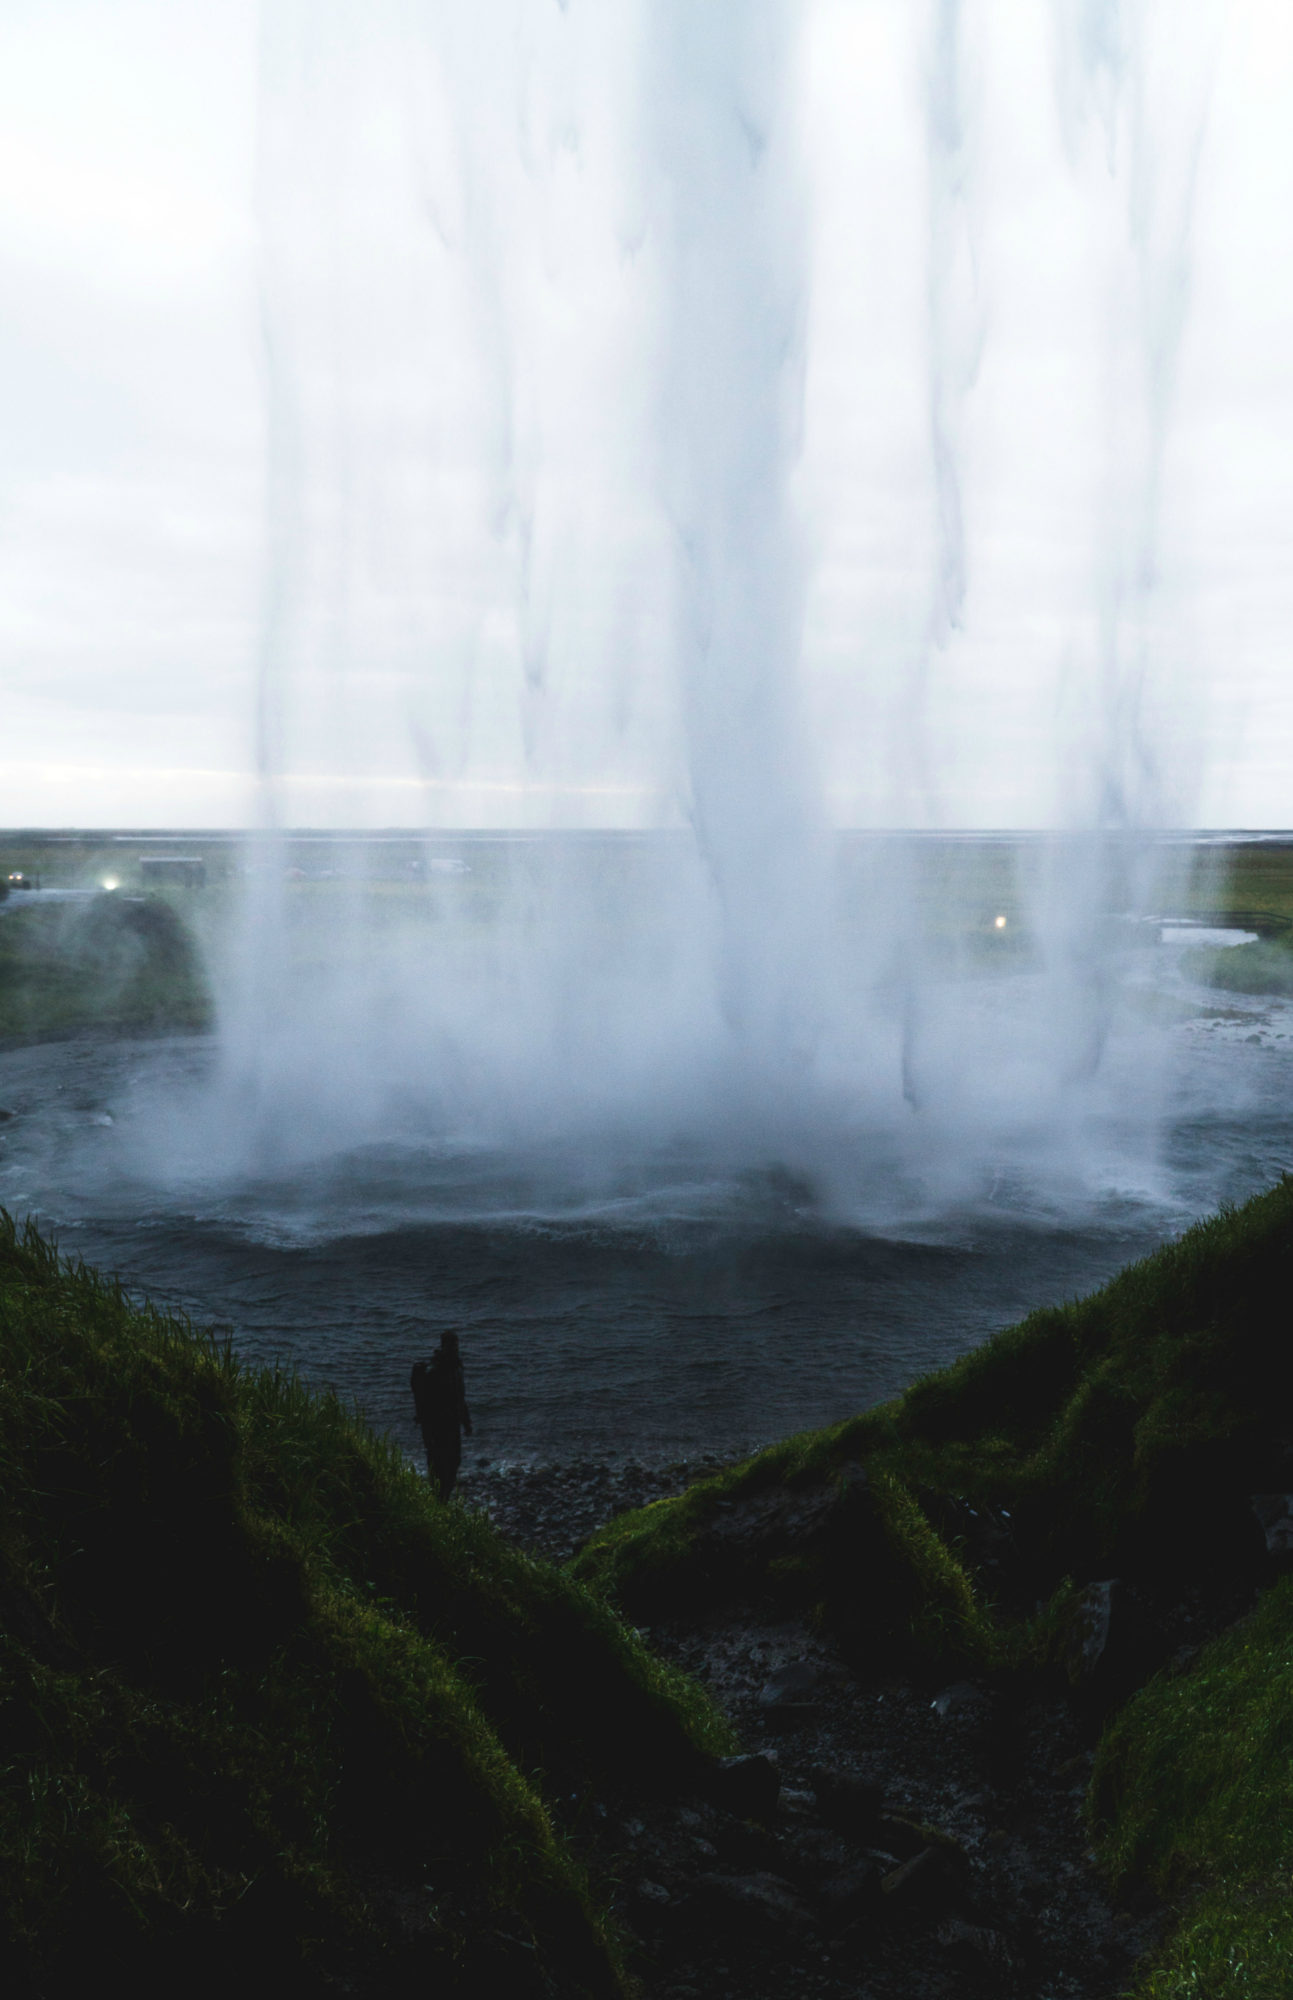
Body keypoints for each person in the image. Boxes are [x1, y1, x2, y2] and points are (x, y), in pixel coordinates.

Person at [410, 1331, 472, 1500]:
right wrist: (428, 1431)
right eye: (451, 1346)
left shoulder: (456, 1368)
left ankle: (442, 1498)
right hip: (438, 1425)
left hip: (452, 1423)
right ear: (443, 1346)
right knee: (439, 1464)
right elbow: (426, 1403)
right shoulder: (434, 1371)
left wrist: (466, 1422)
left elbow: (460, 1397)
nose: (454, 1349)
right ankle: (438, 1499)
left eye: (456, 1345)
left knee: (453, 1461)